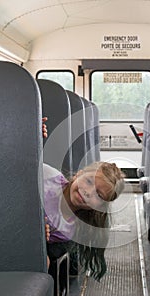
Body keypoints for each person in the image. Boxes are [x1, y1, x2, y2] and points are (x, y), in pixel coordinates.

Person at [42, 118, 125, 280]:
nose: (88, 193)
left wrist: (38, 235)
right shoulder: (47, 176)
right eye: (88, 182)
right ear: (79, 174)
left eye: (98, 196)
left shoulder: (69, 229)